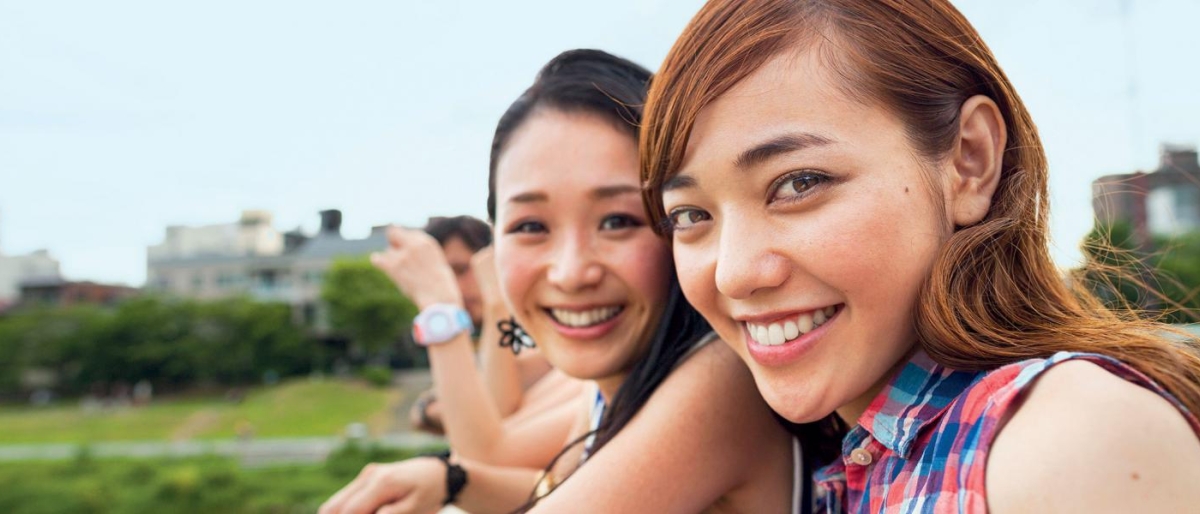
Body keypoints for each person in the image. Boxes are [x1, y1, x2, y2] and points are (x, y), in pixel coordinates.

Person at [641, 1, 1200, 512]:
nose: (734, 273)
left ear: (969, 161)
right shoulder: (840, 459)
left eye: (799, 183)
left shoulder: (1072, 441)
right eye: (690, 215)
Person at [320, 49, 802, 514]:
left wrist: (443, 312)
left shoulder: (717, 378)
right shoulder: (612, 377)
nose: (572, 273)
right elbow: (558, 483)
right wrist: (451, 478)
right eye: (530, 227)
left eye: (617, 221)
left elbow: (491, 442)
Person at [410, 215, 579, 439]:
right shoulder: (493, 327)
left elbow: (497, 405)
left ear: (492, 260)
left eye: (460, 270)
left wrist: (495, 303)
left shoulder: (548, 316)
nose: (453, 288)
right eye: (440, 277)